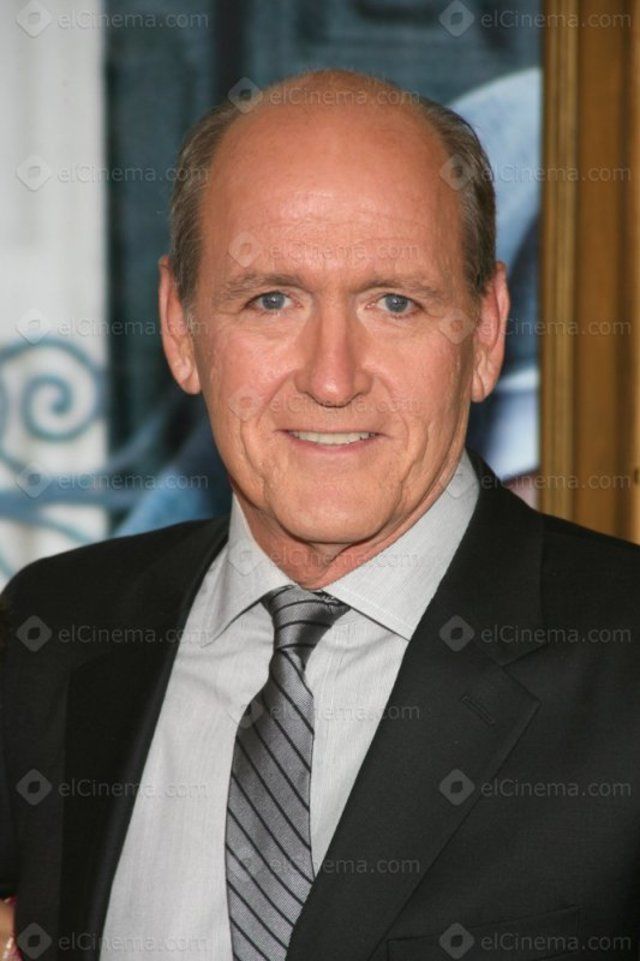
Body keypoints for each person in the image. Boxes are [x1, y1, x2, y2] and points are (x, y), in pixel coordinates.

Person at [1, 68, 639, 961]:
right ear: (181, 328)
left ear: (487, 331)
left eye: (394, 301)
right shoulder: (54, 631)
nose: (332, 377)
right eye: (272, 299)